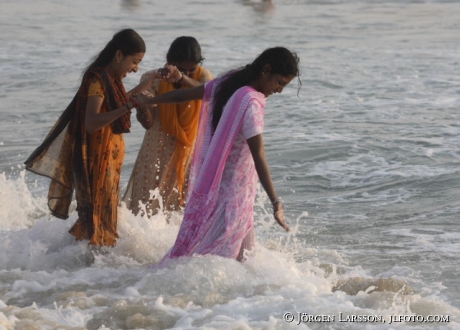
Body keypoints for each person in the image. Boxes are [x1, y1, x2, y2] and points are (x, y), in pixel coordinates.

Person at [134, 46, 299, 262]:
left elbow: (183, 95)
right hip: (234, 195)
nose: (279, 90)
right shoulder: (251, 103)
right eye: (280, 83)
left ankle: (247, 296)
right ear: (265, 70)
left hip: (220, 188)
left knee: (245, 258)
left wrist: (148, 101)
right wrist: (275, 201)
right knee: (218, 258)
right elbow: (258, 154)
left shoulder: (229, 83)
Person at [24, 29, 160, 247]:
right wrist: (129, 105)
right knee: (99, 213)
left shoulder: (112, 80)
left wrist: (150, 81)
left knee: (105, 211)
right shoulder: (97, 80)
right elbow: (91, 121)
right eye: (134, 62)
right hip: (98, 158)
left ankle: (86, 261)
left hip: (109, 158)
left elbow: (118, 102)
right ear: (118, 55)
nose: (135, 69)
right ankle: (91, 263)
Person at [123, 36, 212, 217]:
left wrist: (182, 78)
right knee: (144, 211)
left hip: (187, 153)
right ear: (169, 63)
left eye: (191, 70)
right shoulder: (152, 78)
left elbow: (210, 93)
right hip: (155, 152)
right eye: (180, 69)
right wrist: (145, 107)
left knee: (179, 213)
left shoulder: (203, 76)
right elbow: (147, 123)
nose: (186, 73)